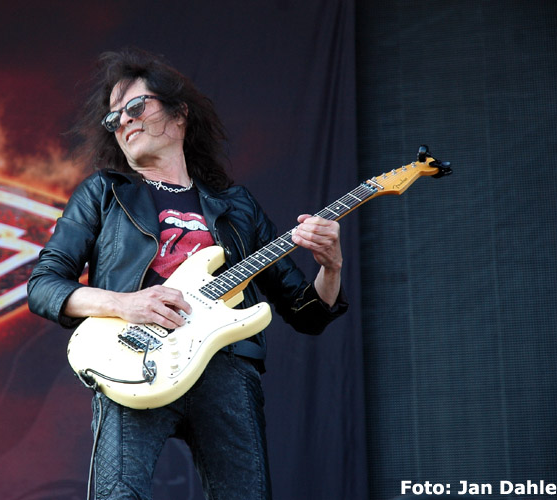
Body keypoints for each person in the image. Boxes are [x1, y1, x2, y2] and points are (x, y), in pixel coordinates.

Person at [27, 48, 348, 500]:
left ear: (179, 114)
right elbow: (43, 286)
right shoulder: (105, 193)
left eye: (136, 106)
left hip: (226, 365)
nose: (124, 121)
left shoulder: (237, 206)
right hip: (133, 357)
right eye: (114, 118)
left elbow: (308, 312)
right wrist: (126, 304)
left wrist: (331, 265)